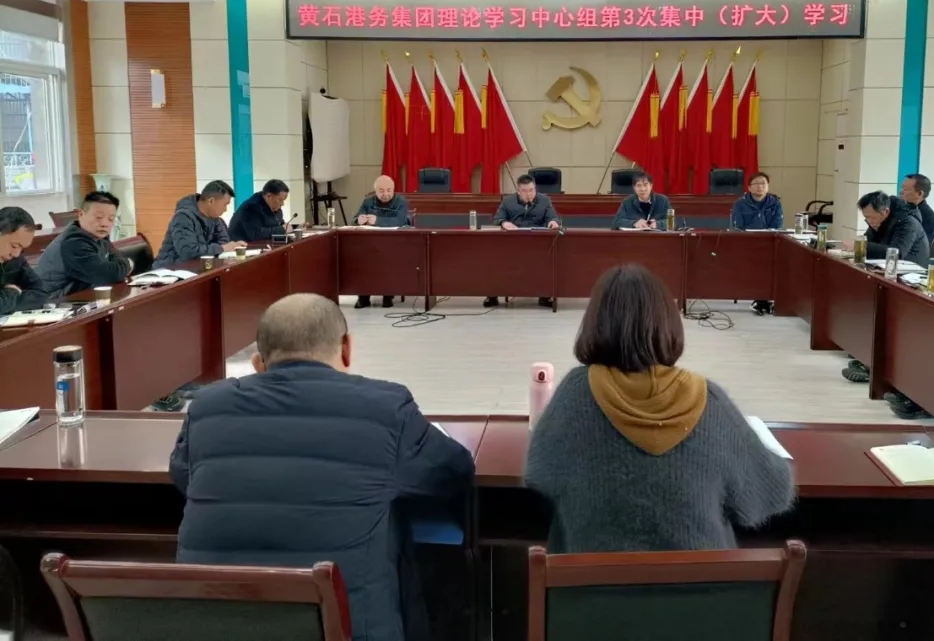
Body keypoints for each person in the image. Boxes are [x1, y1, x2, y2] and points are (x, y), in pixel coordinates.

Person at [170, 293, 475, 641]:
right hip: (346, 630)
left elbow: (184, 476)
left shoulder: (207, 407)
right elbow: (452, 472)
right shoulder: (385, 407)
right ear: (347, 349)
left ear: (257, 362)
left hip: (215, 626)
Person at [525, 264, 794, 553]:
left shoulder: (575, 393)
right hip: (703, 583)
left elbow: (538, 475)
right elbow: (773, 491)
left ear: (594, 323)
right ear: (668, 323)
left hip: (592, 582)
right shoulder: (710, 400)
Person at [841, 191, 929, 385]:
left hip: (911, 281)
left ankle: (875, 366)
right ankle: (866, 356)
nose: (869, 221)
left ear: (885, 211)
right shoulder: (877, 222)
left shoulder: (908, 223)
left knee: (885, 318)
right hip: (888, 276)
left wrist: (861, 245)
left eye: (871, 217)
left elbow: (897, 252)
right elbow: (868, 243)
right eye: (866, 218)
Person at [484, 174, 561, 309]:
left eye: (532, 190)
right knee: (494, 256)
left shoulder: (544, 200)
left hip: (537, 242)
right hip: (513, 241)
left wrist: (553, 222)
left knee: (550, 256)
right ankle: (492, 295)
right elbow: (497, 219)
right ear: (518, 191)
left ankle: (545, 295)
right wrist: (504, 223)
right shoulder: (508, 201)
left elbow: (553, 217)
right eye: (525, 191)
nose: (529, 194)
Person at [35, 191, 132, 297]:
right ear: (81, 214)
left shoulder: (98, 236)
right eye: (98, 217)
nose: (104, 224)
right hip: (55, 300)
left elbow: (116, 258)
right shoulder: (74, 242)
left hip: (78, 294)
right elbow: (104, 275)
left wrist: (121, 266)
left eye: (110, 219)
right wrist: (128, 264)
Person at [155, 180, 245, 269]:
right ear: (211, 201)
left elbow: (224, 241)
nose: (225, 209)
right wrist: (221, 248)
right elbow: (189, 252)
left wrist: (220, 248)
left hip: (198, 267)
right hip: (170, 270)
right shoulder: (183, 217)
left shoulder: (215, 218)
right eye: (225, 205)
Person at [731, 172, 783, 315]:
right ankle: (762, 298)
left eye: (763, 184)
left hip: (769, 243)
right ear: (749, 187)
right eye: (757, 183)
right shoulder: (740, 203)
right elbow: (736, 227)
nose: (760, 186)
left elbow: (777, 225)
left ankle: (765, 297)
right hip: (747, 243)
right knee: (758, 261)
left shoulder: (775, 203)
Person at [354, 175, 410, 309]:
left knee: (388, 259)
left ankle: (387, 295)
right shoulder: (368, 201)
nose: (385, 194)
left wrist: (377, 220)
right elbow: (355, 218)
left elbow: (399, 221)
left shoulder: (401, 202)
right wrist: (358, 220)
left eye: (389, 190)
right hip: (369, 244)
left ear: (393, 190)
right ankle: (363, 297)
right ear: (375, 191)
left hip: (393, 244)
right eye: (381, 191)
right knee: (361, 260)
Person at [0, 206, 46, 316]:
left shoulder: (15, 259)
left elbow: (41, 293)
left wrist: (6, 304)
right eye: (14, 246)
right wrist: (13, 292)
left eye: (22, 249)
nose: (16, 254)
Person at [228, 179, 293, 243]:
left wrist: (290, 227)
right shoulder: (252, 207)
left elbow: (278, 224)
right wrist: (282, 230)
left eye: (283, 200)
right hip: (241, 246)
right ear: (269, 196)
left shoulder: (274, 207)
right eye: (280, 200)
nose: (282, 204)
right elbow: (255, 234)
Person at [900, 173, 934, 245]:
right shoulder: (902, 209)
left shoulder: (929, 217)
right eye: (902, 188)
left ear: (919, 194)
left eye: (905, 189)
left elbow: (923, 245)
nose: (901, 192)